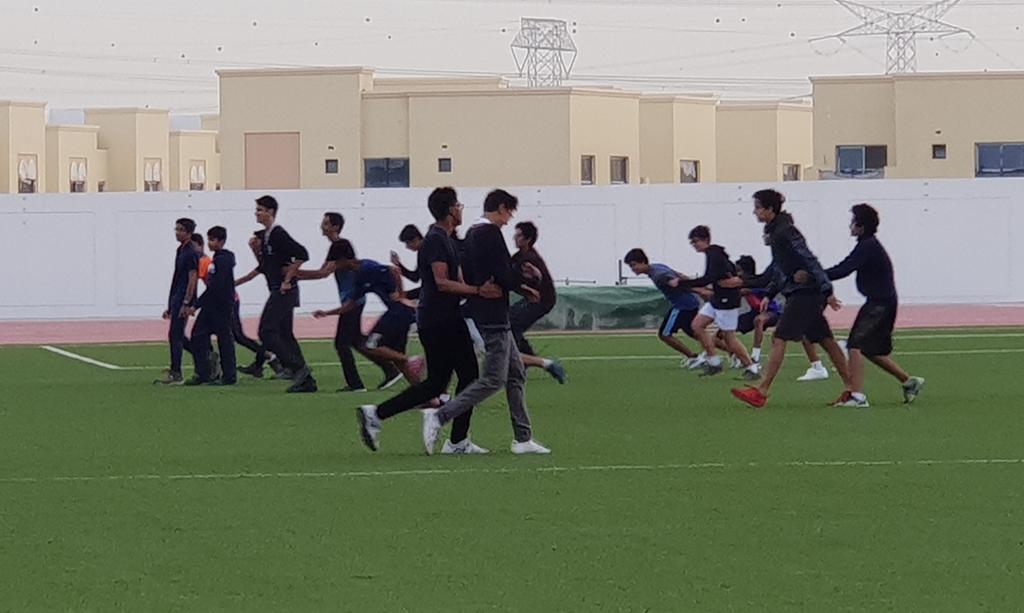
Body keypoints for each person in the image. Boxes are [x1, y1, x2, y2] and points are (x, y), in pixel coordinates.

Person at [357, 187, 500, 455]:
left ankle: (376, 414)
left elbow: (455, 280)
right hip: (441, 321)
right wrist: (479, 291)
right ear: (449, 210)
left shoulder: (444, 239)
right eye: (457, 204)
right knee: (470, 378)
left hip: (439, 319)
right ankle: (457, 441)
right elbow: (442, 282)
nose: (461, 208)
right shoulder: (436, 240)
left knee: (436, 383)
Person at [422, 189, 552, 456]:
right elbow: (500, 273)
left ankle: (523, 438)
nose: (508, 221)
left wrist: (516, 280)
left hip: (487, 312)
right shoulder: (489, 233)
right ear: (501, 208)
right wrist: (524, 283)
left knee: (516, 373)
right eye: (508, 214)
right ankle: (440, 416)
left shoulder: (471, 233)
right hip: (493, 315)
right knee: (494, 379)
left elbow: (488, 270)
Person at [730, 189, 853, 409]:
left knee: (779, 337)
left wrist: (826, 289)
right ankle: (853, 390)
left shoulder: (785, 231)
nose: (754, 212)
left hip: (805, 294)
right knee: (826, 340)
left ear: (769, 209)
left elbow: (808, 258)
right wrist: (767, 291)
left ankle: (761, 390)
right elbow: (780, 270)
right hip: (804, 292)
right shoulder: (777, 231)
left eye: (758, 207)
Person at [818, 203, 925, 407]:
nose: (850, 226)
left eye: (853, 222)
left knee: (855, 345)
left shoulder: (868, 246)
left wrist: (816, 274)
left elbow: (844, 268)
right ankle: (909, 381)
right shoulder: (867, 244)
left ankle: (857, 397)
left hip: (880, 303)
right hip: (881, 301)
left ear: (861, 226)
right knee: (870, 350)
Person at [297, 212, 402, 392]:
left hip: (352, 301)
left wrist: (295, 274)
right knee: (356, 341)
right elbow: (325, 271)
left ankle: (356, 384)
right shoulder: (338, 246)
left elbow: (323, 273)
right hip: (354, 299)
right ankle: (389, 370)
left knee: (341, 343)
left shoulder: (340, 245)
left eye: (326, 224)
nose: (322, 227)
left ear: (335, 227)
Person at [310, 257, 423, 385]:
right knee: (397, 358)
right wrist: (327, 313)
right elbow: (351, 304)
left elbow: (393, 270)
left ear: (344, 260)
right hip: (398, 313)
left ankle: (411, 360)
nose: (334, 267)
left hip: (398, 313)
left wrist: (401, 294)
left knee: (370, 345)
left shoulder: (368, 267)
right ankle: (424, 395)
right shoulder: (359, 278)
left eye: (335, 263)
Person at [253, 195, 318, 393]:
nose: (257, 213)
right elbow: (265, 266)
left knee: (266, 331)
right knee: (285, 333)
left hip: (284, 291)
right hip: (277, 288)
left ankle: (299, 369)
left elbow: (302, 254)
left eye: (260, 210)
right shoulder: (265, 237)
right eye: (257, 210)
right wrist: (255, 251)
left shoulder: (278, 234)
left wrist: (288, 279)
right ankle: (300, 374)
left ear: (271, 212)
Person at [680, 225, 759, 380]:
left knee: (729, 338)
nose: (694, 245)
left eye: (695, 241)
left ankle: (752, 367)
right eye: (692, 242)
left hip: (727, 300)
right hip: (718, 298)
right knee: (697, 325)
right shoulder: (714, 254)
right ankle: (715, 363)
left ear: (705, 240)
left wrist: (684, 284)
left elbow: (708, 278)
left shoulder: (714, 255)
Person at [622, 248, 704, 368]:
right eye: (631, 266)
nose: (633, 269)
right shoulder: (658, 267)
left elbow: (677, 282)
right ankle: (731, 351)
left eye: (634, 265)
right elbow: (680, 275)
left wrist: (700, 290)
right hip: (690, 303)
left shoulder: (658, 275)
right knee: (696, 333)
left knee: (664, 334)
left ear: (643, 262)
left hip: (683, 305)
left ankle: (693, 357)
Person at [510, 221, 566, 383]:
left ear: (528, 239)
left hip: (541, 301)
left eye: (519, 235)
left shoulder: (528, 260)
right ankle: (528, 358)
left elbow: (519, 279)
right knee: (510, 324)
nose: (515, 237)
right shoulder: (521, 257)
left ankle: (527, 360)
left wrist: (526, 288)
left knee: (511, 326)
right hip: (534, 299)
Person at [185, 226, 237, 386]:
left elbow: (215, 287)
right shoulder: (216, 259)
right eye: (209, 239)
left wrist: (196, 305)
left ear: (221, 241)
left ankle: (229, 376)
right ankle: (204, 373)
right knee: (197, 336)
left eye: (213, 240)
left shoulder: (224, 259)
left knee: (225, 340)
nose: (210, 243)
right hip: (211, 305)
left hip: (221, 306)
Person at [154, 218, 199, 385]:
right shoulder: (181, 250)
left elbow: (192, 277)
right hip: (177, 297)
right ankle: (205, 356)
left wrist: (187, 302)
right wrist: (170, 305)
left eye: (181, 230)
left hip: (183, 298)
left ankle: (176, 372)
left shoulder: (191, 252)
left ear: (189, 233)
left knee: (175, 334)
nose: (177, 233)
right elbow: (176, 278)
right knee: (178, 334)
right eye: (176, 229)